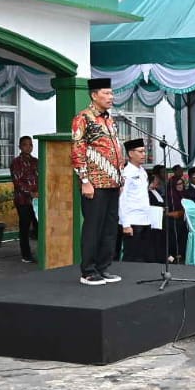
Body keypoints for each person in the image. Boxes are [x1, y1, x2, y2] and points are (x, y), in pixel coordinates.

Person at [70, 77, 124, 286]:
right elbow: (77, 150)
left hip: (113, 182)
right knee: (93, 228)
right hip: (94, 183)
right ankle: (88, 271)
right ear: (94, 95)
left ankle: (103, 267)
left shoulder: (109, 119)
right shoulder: (83, 118)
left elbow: (115, 148)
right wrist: (85, 180)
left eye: (112, 93)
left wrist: (120, 177)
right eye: (107, 93)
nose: (111, 97)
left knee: (110, 228)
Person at [119, 139, 158, 263]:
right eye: (140, 152)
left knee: (145, 256)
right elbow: (122, 199)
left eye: (144, 151)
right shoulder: (126, 173)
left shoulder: (142, 171)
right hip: (132, 221)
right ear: (131, 153)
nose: (144, 154)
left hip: (145, 219)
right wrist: (125, 224)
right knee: (131, 256)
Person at [10, 135, 38, 263]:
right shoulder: (16, 162)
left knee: (38, 226)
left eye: (30, 145)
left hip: (36, 200)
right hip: (23, 200)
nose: (28, 147)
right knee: (25, 227)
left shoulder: (36, 161)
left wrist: (39, 192)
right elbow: (17, 182)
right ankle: (26, 255)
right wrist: (30, 193)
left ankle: (41, 252)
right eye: (25, 145)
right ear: (20, 147)